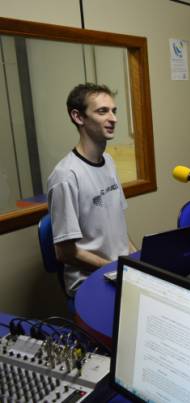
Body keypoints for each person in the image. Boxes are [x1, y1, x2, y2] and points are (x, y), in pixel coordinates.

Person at [47, 83, 136, 296]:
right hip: (90, 281)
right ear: (78, 117)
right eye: (102, 111)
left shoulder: (109, 162)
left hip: (119, 272)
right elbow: (65, 253)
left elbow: (119, 230)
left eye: (114, 111)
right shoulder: (66, 176)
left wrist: (138, 261)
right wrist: (115, 269)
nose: (113, 119)